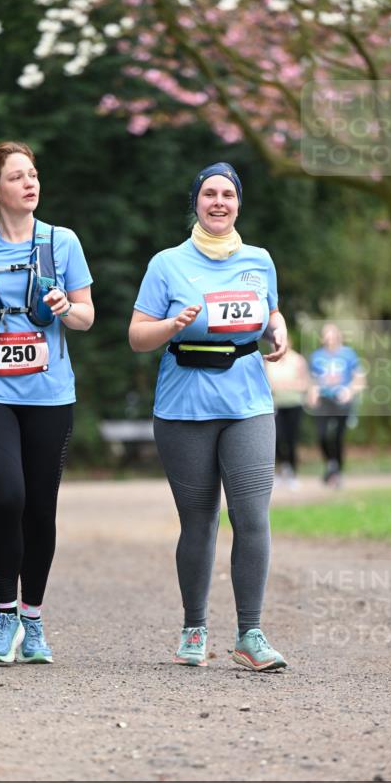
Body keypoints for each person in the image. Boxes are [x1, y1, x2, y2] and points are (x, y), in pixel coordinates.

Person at [129, 162, 288, 672]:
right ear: (196, 202)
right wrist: (171, 325)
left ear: (238, 203)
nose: (219, 202)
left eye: (228, 195)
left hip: (248, 402)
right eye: (209, 194)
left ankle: (250, 634)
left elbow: (271, 311)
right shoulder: (167, 264)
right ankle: (194, 627)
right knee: (199, 520)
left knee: (252, 516)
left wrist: (279, 330)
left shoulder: (260, 260)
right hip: (185, 405)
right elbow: (137, 336)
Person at [0, 141, 95, 662]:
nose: (30, 183)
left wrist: (65, 306)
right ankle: (4, 614)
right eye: (16, 177)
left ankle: (33, 621)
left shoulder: (62, 242)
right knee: (7, 496)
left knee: (40, 507)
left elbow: (86, 316)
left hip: (49, 394)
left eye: (33, 175)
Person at [307, 323, 365, 487]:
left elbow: (360, 378)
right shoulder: (316, 356)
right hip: (324, 399)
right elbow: (312, 380)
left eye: (332, 334)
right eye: (326, 334)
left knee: (338, 437)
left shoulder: (349, 354)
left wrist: (349, 391)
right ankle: (331, 464)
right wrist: (312, 392)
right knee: (322, 435)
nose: (330, 338)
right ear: (322, 338)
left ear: (339, 336)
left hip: (342, 399)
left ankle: (337, 472)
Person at [265, 334, 310, 489]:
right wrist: (277, 386)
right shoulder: (268, 361)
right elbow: (265, 384)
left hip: (294, 404)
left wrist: (289, 385)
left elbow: (305, 383)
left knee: (291, 439)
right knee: (276, 438)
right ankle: (281, 469)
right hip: (275, 405)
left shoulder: (297, 360)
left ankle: (292, 473)